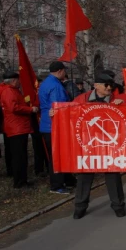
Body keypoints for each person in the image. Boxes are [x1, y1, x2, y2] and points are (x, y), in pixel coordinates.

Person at [71, 74, 126, 219]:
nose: (110, 88)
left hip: (110, 146)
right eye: (106, 85)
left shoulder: (118, 100)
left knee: (113, 176)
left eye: (111, 85)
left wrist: (124, 107)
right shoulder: (81, 99)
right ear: (96, 85)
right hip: (88, 144)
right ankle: (80, 207)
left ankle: (118, 206)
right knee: (85, 176)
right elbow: (68, 113)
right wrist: (55, 113)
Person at [0, 71, 39, 188]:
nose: (20, 82)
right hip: (16, 128)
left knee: (21, 155)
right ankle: (19, 181)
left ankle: (22, 180)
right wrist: (30, 110)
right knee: (19, 156)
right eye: (18, 80)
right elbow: (13, 107)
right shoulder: (9, 91)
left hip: (18, 127)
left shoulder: (11, 90)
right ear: (14, 80)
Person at [38, 61, 75, 194]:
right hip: (54, 126)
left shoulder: (45, 83)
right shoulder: (56, 86)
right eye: (64, 71)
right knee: (57, 156)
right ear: (60, 71)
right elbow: (60, 107)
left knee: (54, 156)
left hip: (46, 125)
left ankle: (66, 180)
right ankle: (57, 185)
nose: (65, 73)